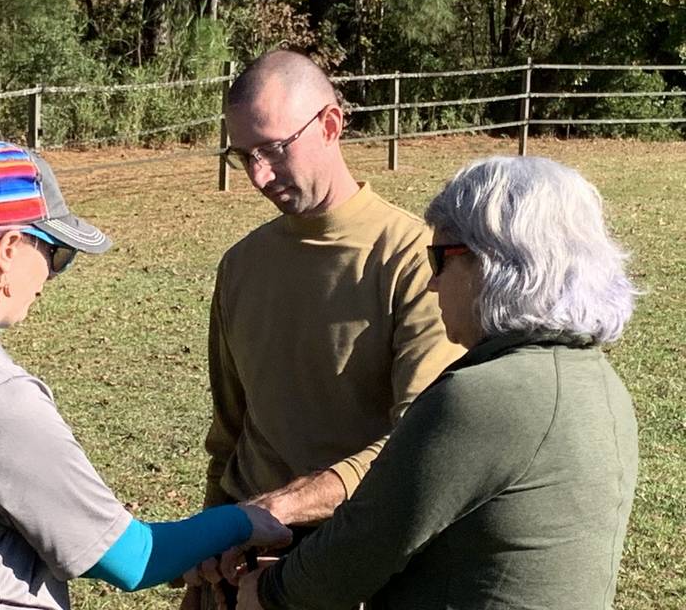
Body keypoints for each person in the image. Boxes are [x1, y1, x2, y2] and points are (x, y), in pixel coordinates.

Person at [0, 138, 291, 610]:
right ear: (10, 249)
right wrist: (247, 520)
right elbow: (132, 558)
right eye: (56, 254)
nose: (50, 276)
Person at [232, 155, 639, 609]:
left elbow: (365, 544)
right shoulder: (599, 382)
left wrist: (270, 590)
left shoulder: (487, 397)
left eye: (440, 258)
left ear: (493, 263)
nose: (431, 284)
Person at [181, 50, 463, 607]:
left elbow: (416, 448)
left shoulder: (413, 260)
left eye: (272, 150)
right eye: (244, 157)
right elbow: (230, 433)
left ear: (330, 125)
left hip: (344, 566)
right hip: (236, 564)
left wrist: (276, 510)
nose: (258, 175)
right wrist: (206, 561)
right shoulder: (241, 265)